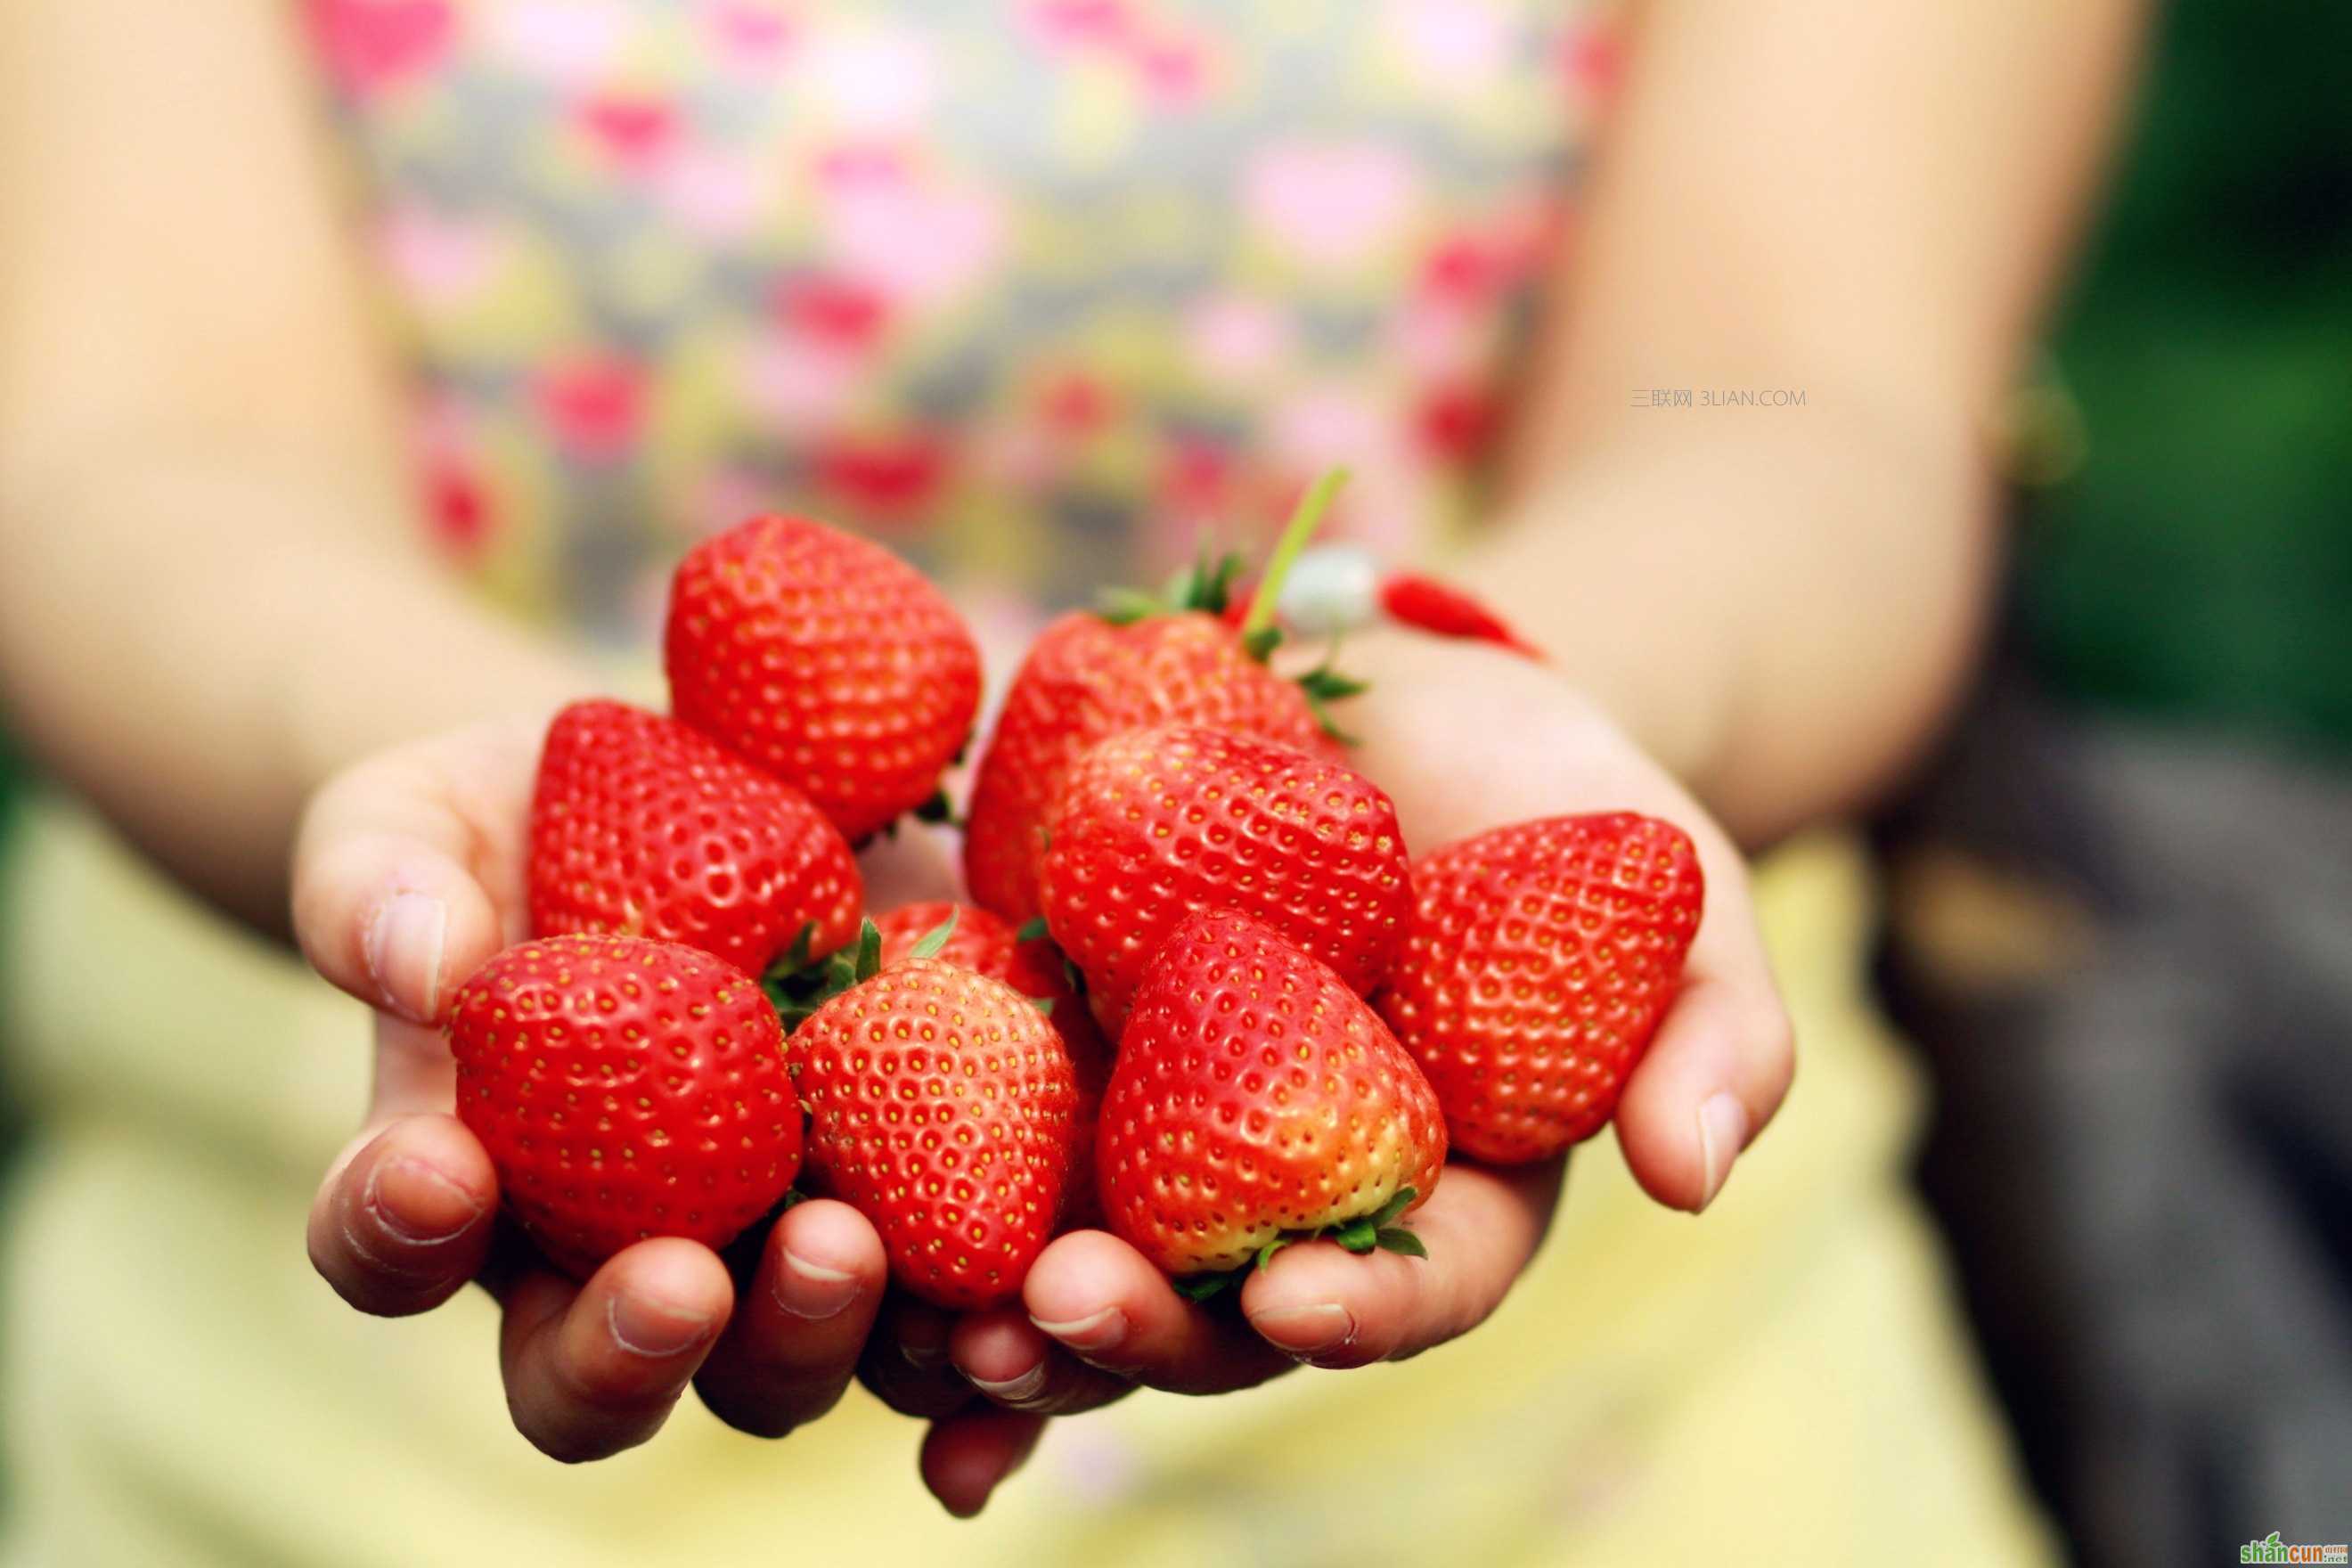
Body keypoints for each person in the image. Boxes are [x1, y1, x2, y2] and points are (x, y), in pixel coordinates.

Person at [0, 1, 2138, 1561]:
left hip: (1615, 1457)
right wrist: (453, 801)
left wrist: (1534, 691)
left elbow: (1790, 394)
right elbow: (130, 442)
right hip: (336, 1440)